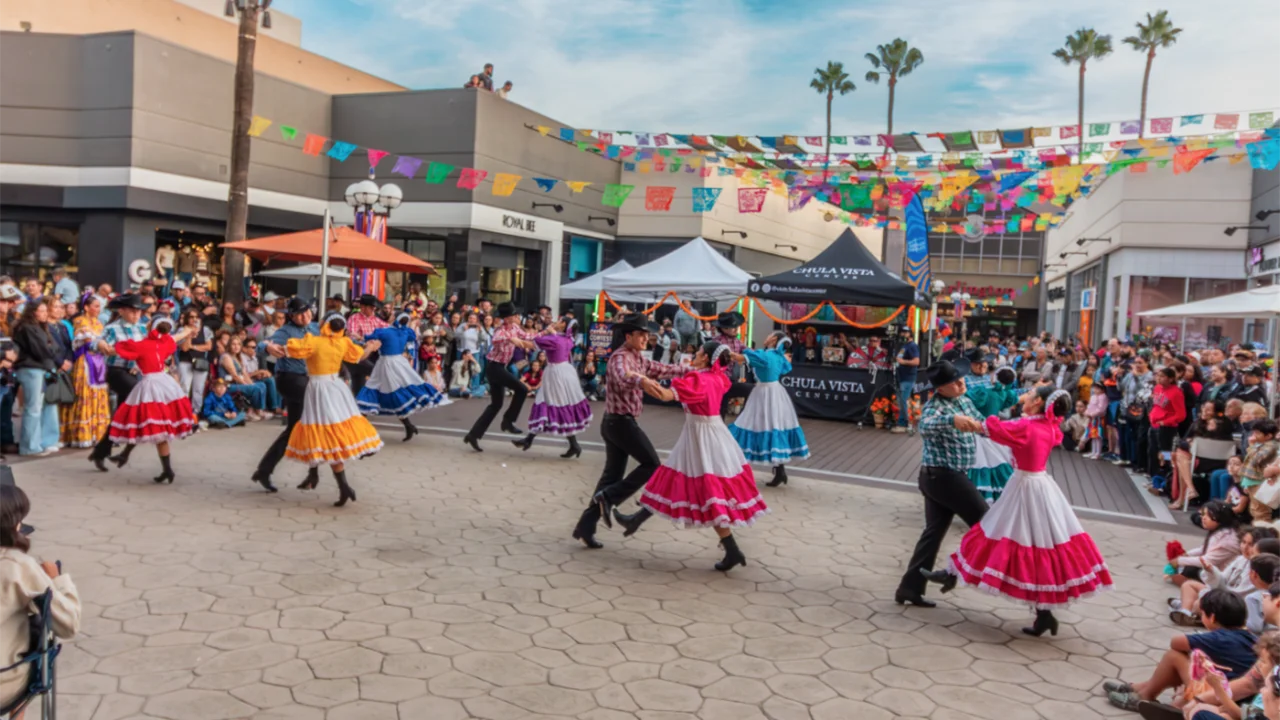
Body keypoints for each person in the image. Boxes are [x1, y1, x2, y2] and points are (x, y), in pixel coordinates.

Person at [922, 385, 1114, 637]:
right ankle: (1041, 614)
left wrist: (969, 422)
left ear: (1037, 403)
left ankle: (953, 574)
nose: (1026, 399)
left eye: (1031, 396)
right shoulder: (1048, 426)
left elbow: (992, 428)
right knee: (1032, 543)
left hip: (1025, 488)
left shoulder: (1026, 427)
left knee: (994, 532)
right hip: (1041, 485)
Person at [613, 341, 766, 571]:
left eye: (699, 352)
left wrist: (643, 382)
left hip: (703, 438)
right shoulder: (717, 378)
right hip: (707, 432)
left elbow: (665, 395)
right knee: (674, 478)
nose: (695, 355)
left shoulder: (699, 380)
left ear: (705, 358)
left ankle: (732, 549)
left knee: (708, 491)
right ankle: (636, 519)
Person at [571, 314, 691, 550]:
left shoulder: (639, 358)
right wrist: (641, 381)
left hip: (618, 424)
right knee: (652, 464)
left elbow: (661, 368)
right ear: (629, 336)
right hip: (620, 424)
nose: (646, 338)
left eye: (648, 335)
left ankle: (586, 525)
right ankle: (608, 499)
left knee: (611, 478)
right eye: (641, 335)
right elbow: (622, 376)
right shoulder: (620, 357)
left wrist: (686, 370)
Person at [894, 359, 988, 608]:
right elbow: (924, 425)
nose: (961, 383)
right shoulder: (935, 407)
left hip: (942, 478)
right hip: (944, 478)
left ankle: (909, 589)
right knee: (986, 525)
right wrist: (951, 420)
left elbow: (983, 424)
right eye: (954, 382)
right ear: (940, 388)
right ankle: (952, 572)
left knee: (933, 533)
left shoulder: (964, 400)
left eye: (961, 379)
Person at [282, 312, 383, 507]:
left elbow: (292, 349)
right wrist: (369, 347)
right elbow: (358, 356)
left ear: (324, 324)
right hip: (336, 387)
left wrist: (273, 347)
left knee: (321, 430)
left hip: (319, 388)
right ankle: (317, 476)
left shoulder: (315, 342)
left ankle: (341, 484)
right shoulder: (343, 342)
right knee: (325, 428)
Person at [1106, 589, 1256, 711]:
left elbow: (1176, 642)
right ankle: (1141, 687)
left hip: (1218, 699)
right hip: (1236, 700)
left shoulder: (1219, 638)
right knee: (1192, 660)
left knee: (1175, 656)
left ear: (1212, 618)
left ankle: (1145, 695)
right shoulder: (1251, 638)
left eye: (1202, 614)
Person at [0, 485, 80, 710]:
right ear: (14, 523)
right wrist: (58, 581)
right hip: (5, 683)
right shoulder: (16, 565)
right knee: (34, 630)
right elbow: (69, 625)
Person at [106, 315, 198, 483]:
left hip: (150, 386)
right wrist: (187, 330)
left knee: (149, 425)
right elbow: (176, 337)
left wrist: (99, 345)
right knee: (152, 427)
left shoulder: (141, 346)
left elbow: (114, 351)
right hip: (166, 385)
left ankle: (161, 468)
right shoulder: (164, 343)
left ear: (150, 327)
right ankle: (161, 468)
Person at [253, 298, 320, 494]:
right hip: (291, 379)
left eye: (307, 311)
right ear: (291, 316)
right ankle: (313, 473)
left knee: (295, 428)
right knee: (315, 422)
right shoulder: (287, 331)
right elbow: (263, 345)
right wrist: (267, 347)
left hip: (308, 379)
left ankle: (264, 470)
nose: (305, 316)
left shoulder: (316, 328)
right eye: (299, 313)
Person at [728, 331, 809, 488]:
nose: (766, 337)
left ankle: (738, 470)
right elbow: (785, 368)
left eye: (769, 335)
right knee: (773, 426)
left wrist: (723, 350)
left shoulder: (764, 356)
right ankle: (779, 472)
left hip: (764, 394)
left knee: (750, 424)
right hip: (776, 393)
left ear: (773, 340)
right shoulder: (777, 356)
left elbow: (738, 358)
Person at [356, 312, 450, 442]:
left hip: (386, 363)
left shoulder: (385, 331)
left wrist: (358, 336)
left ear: (394, 318)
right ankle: (408, 425)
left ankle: (358, 427)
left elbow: (368, 337)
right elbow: (411, 337)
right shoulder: (406, 332)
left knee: (378, 389)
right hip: (400, 362)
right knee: (391, 391)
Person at [513, 318, 593, 458]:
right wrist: (551, 332)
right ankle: (532, 439)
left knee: (551, 404)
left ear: (564, 325)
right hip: (563, 372)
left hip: (556, 374)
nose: (557, 320)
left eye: (560, 320)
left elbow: (531, 343)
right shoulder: (567, 338)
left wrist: (511, 338)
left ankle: (530, 440)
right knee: (552, 404)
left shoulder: (555, 339)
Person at [463, 302, 536, 452]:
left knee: (496, 404)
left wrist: (545, 334)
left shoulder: (515, 327)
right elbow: (496, 339)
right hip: (494, 367)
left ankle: (473, 435)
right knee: (522, 389)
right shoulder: (500, 330)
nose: (517, 317)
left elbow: (528, 336)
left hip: (500, 368)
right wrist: (510, 339)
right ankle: (508, 422)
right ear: (507, 318)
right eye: (514, 315)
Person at [962, 349, 1020, 502]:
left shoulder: (990, 380)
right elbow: (965, 402)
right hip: (971, 429)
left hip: (991, 429)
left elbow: (1001, 401)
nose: (982, 367)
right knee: (975, 465)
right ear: (970, 365)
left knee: (996, 464)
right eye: (978, 364)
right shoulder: (964, 381)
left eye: (984, 364)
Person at [11, 299, 62, 456]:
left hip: (43, 368)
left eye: (46, 311)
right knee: (33, 408)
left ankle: (44, 441)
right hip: (31, 369)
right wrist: (49, 349)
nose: (45, 314)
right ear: (34, 312)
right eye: (42, 311)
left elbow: (55, 347)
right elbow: (40, 350)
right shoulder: (26, 328)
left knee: (46, 405)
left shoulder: (41, 327)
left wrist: (49, 349)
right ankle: (30, 446)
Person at [60, 294, 109, 449]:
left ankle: (97, 433)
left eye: (99, 306)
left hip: (99, 362)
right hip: (85, 362)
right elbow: (89, 340)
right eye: (95, 306)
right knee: (84, 395)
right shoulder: (80, 321)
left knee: (98, 395)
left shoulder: (99, 323)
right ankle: (82, 434)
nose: (98, 309)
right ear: (86, 307)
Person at [219, 336, 270, 421]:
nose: (236, 346)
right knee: (253, 388)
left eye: (238, 344)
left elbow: (244, 374)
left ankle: (259, 410)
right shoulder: (226, 357)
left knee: (261, 385)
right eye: (233, 344)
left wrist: (251, 383)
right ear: (229, 345)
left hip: (238, 383)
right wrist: (247, 385)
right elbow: (235, 375)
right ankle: (252, 412)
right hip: (228, 385)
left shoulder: (238, 357)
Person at [712, 312, 752, 419]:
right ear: (724, 328)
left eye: (736, 327)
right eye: (733, 327)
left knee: (722, 408)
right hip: (719, 381)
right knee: (720, 409)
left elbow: (748, 351)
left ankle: (743, 419)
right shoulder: (717, 342)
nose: (736, 329)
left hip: (730, 380)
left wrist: (762, 355)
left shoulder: (737, 341)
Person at [344, 295, 386, 396]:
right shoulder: (354, 319)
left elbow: (388, 329)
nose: (374, 309)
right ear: (363, 307)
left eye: (374, 307)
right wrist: (368, 342)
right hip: (359, 355)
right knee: (375, 370)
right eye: (371, 307)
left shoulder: (375, 319)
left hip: (373, 354)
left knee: (360, 382)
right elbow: (352, 337)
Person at [891, 324, 921, 434]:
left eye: (905, 332)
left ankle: (903, 423)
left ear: (910, 334)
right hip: (901, 376)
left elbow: (916, 362)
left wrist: (903, 362)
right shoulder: (904, 346)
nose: (903, 334)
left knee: (903, 399)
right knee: (900, 400)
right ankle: (902, 421)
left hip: (908, 377)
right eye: (902, 332)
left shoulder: (912, 346)